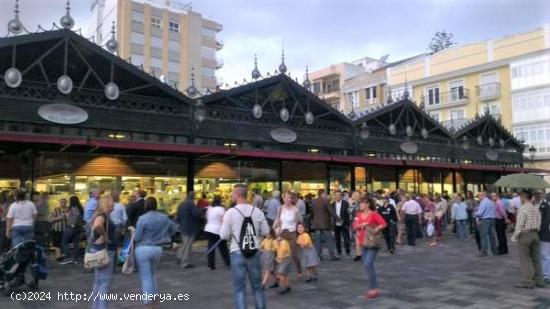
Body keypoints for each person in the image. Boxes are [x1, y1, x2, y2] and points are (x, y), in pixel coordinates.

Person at [220, 184, 269, 309]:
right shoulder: (257, 211)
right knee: (257, 287)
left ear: (236, 195)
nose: (231, 195)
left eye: (232, 193)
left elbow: (224, 235)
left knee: (239, 289)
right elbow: (266, 232)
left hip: (236, 252)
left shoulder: (230, 213)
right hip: (254, 251)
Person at [132, 196, 177, 309]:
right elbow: (174, 229)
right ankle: (155, 299)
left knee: (146, 276)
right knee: (152, 274)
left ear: (146, 205)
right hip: (158, 248)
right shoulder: (164, 217)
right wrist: (166, 236)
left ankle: (149, 302)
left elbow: (137, 237)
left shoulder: (142, 219)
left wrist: (133, 231)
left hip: (143, 248)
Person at [353, 198, 387, 299]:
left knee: (368, 264)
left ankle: (373, 288)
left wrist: (375, 229)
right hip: (363, 242)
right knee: (367, 264)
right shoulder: (358, 214)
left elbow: (383, 223)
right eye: (360, 204)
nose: (360, 205)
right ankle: (373, 288)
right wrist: (359, 226)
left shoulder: (373, 214)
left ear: (367, 205)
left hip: (372, 242)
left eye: (362, 203)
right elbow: (354, 226)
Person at [89, 194, 118, 309]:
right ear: (106, 205)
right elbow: (97, 225)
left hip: (98, 250)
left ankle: (95, 306)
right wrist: (105, 236)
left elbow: (96, 225)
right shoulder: (103, 216)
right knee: (104, 283)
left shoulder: (99, 214)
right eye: (111, 205)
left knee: (98, 283)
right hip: (104, 252)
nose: (113, 207)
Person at [511, 190, 544, 289]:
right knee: (536, 259)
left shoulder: (523, 209)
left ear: (523, 197)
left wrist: (514, 237)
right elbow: (539, 222)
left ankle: (527, 281)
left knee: (525, 259)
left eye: (520, 197)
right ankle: (539, 280)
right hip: (535, 234)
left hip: (525, 235)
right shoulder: (535, 208)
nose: (519, 199)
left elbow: (519, 225)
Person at [273, 191, 302, 276]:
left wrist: (300, 233)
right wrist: (274, 228)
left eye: (289, 197)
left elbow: (300, 222)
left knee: (293, 254)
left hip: (292, 233)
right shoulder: (280, 208)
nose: (287, 199)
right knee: (279, 253)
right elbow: (277, 219)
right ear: (283, 198)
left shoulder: (295, 209)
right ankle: (277, 272)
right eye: (285, 197)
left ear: (292, 199)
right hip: (281, 233)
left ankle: (299, 270)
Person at [176, 191, 202, 269]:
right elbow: (196, 215)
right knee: (188, 246)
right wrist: (200, 211)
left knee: (184, 244)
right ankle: (184, 263)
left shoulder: (181, 204)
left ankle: (179, 256)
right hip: (190, 228)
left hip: (182, 227)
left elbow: (178, 216)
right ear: (193, 197)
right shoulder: (192, 204)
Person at [204, 195, 230, 270]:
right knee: (223, 247)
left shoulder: (209, 208)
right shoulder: (221, 209)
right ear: (220, 201)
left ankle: (210, 265)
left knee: (210, 247)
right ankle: (227, 261)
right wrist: (225, 229)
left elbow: (206, 218)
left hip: (208, 228)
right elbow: (223, 220)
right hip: (217, 230)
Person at [311, 189, 338, 260]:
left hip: (316, 224)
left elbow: (313, 212)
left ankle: (318, 255)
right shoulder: (325, 201)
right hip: (325, 223)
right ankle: (332, 255)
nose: (326, 195)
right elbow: (331, 211)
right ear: (322, 193)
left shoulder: (313, 201)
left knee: (318, 241)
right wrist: (338, 218)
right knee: (329, 240)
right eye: (325, 193)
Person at [60, 196, 84, 265]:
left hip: (71, 227)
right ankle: (76, 258)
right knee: (76, 243)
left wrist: (68, 216)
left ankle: (68, 257)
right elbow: (79, 218)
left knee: (64, 242)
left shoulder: (73, 208)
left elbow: (73, 218)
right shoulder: (80, 208)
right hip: (78, 228)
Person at [475, 191, 497, 257]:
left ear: (483, 195)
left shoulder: (483, 202)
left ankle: (484, 252)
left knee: (483, 236)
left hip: (485, 220)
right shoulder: (491, 202)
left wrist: (475, 213)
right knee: (492, 236)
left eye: (479, 195)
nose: (478, 197)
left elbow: (480, 213)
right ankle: (494, 250)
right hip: (492, 219)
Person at [535, 191, 550, 283]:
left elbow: (543, 221)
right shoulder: (543, 205)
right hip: (545, 233)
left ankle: (546, 274)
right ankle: (545, 273)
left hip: (545, 234)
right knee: (545, 254)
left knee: (545, 254)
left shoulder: (544, 206)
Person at [331, 190, 351, 258]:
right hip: (336, 224)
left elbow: (348, 214)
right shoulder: (332, 204)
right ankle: (339, 252)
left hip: (344, 223)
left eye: (339, 195)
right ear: (334, 196)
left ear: (341, 196)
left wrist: (347, 223)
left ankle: (348, 252)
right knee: (337, 239)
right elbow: (332, 215)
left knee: (346, 239)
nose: (337, 196)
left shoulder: (346, 203)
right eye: (336, 195)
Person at [110, 192, 128, 258]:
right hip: (118, 226)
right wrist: (123, 227)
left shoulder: (108, 205)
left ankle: (110, 257)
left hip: (109, 226)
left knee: (109, 242)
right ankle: (117, 258)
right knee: (117, 243)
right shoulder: (121, 206)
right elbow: (125, 218)